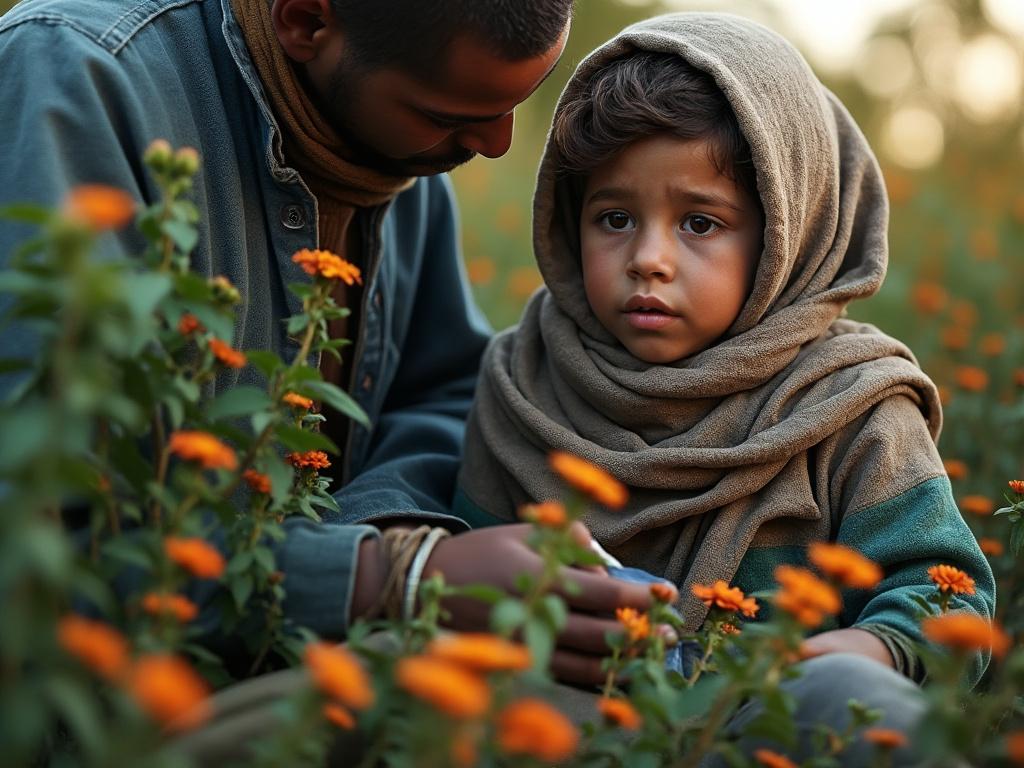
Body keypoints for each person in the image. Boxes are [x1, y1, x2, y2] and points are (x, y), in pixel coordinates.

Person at [0, 0, 661, 685]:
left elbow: (441, 394)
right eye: (447, 115)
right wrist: (382, 577)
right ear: (306, 23)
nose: (496, 142)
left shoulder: (388, 132)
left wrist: (385, 546)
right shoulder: (78, 77)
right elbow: (49, 547)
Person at [454, 12, 996, 763]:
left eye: (700, 223)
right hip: (560, 727)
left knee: (862, 707)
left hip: (768, 732)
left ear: (786, 231)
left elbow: (948, 594)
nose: (648, 258)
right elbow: (467, 584)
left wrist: (868, 651)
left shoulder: (849, 402)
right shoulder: (526, 381)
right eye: (613, 216)